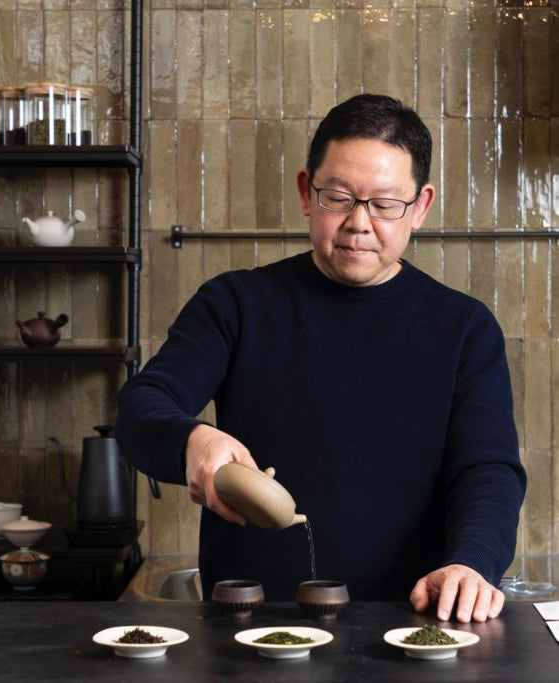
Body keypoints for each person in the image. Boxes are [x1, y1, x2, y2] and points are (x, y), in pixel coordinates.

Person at [115, 94, 526, 623]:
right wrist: (193, 440)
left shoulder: (465, 328)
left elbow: (487, 469)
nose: (359, 223)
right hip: (250, 629)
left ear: (420, 207)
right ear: (307, 193)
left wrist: (473, 562)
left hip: (411, 623)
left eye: (385, 204)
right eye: (339, 197)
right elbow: (141, 407)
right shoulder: (235, 304)